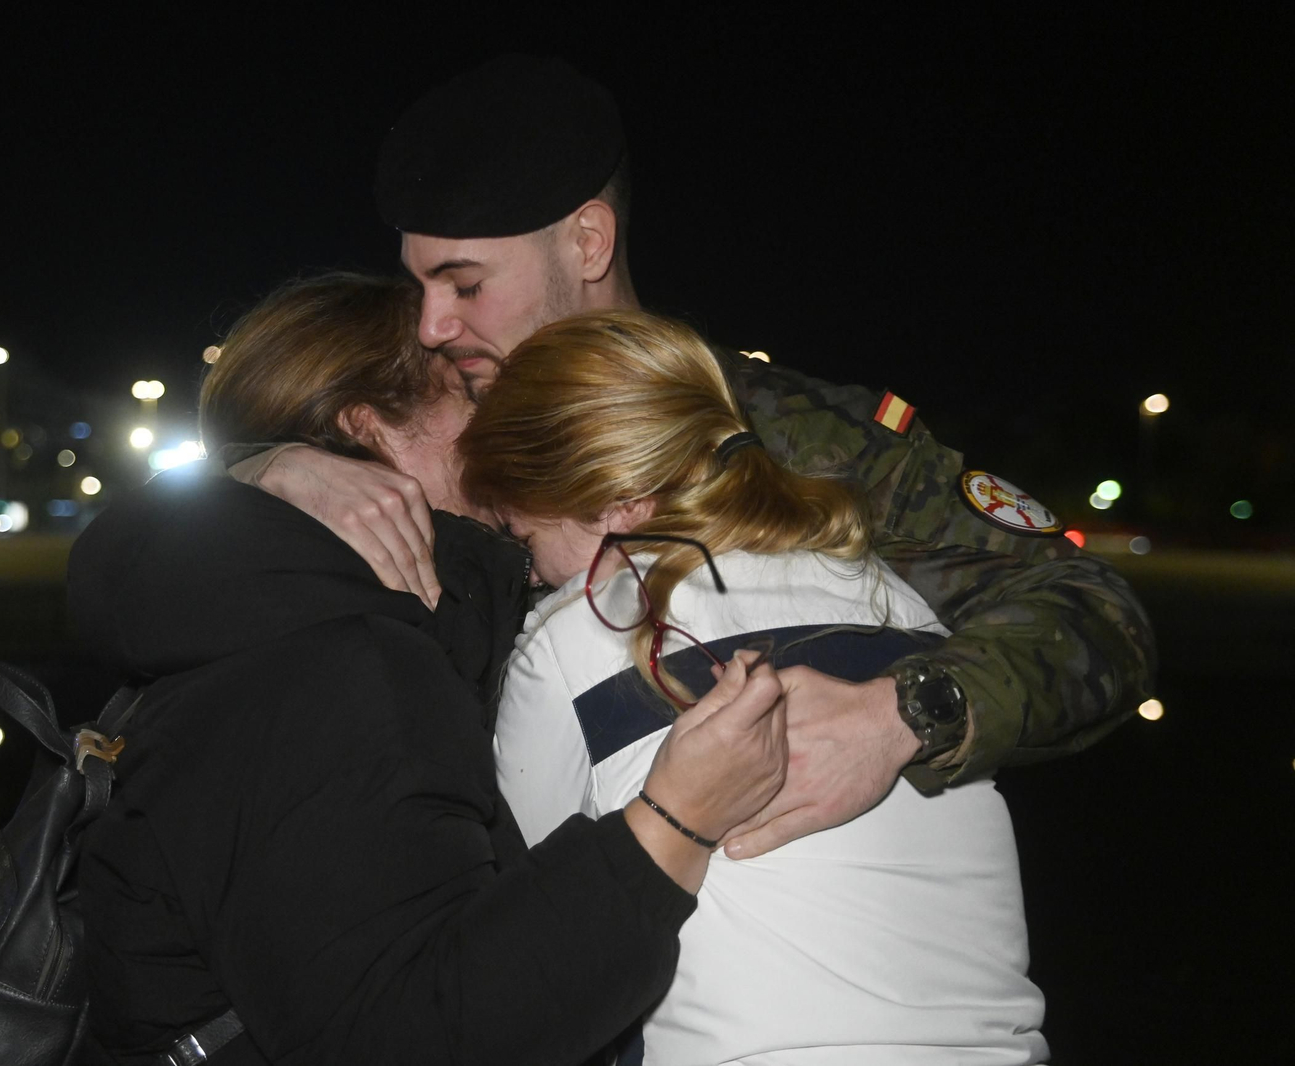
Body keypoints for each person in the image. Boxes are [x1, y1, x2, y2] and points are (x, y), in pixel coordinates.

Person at [226, 55, 1156, 860]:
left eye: (464, 285)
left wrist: (909, 713)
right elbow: (165, 579)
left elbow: (1093, 612)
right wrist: (264, 477)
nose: (432, 324)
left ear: (588, 241)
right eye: (421, 286)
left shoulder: (787, 431)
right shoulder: (431, 417)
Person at [69, 273, 789, 1065]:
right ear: (371, 429)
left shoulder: (294, 615)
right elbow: (412, 1034)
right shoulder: (343, 664)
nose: (516, 425)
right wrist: (676, 824)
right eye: (477, 397)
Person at [460, 308, 1049, 1064]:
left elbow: (542, 925)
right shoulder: (904, 606)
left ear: (617, 504)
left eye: (525, 538)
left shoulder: (577, 634)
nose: (533, 574)